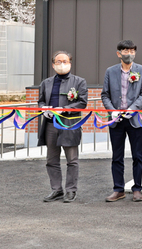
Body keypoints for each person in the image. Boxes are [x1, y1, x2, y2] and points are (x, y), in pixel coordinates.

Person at [101, 39, 142, 202]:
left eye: (131, 51)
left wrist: (132, 109)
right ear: (119, 53)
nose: (129, 54)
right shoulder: (110, 71)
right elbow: (105, 94)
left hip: (135, 118)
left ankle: (137, 188)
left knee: (137, 155)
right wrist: (112, 110)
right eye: (125, 51)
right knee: (117, 155)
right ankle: (118, 189)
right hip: (116, 120)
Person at [37, 51, 88, 203]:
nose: (61, 64)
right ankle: (56, 190)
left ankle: (71, 190)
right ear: (53, 65)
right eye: (58, 61)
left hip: (69, 125)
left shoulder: (79, 82)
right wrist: (43, 109)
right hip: (51, 125)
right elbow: (40, 101)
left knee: (72, 160)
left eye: (64, 61)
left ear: (70, 63)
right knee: (51, 160)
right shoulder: (46, 83)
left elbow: (82, 102)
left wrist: (64, 109)